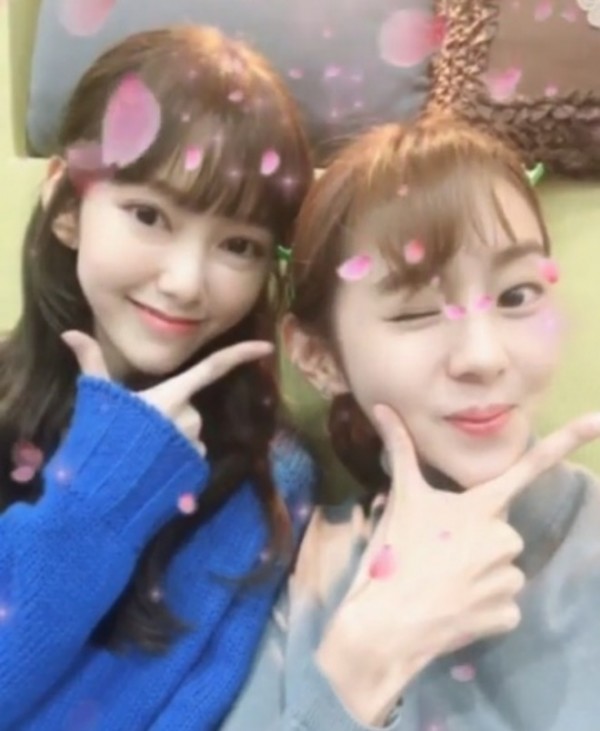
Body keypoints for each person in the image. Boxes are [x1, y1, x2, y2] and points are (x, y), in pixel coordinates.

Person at [222, 114, 600, 731]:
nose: (483, 356)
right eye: (418, 311)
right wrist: (364, 660)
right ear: (318, 357)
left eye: (516, 296)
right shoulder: (306, 575)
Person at [0, 25, 316, 731]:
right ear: (68, 205)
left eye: (239, 245)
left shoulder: (269, 478)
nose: (184, 282)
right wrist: (99, 485)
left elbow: (184, 707)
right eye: (149, 215)